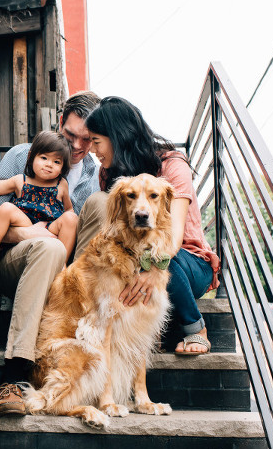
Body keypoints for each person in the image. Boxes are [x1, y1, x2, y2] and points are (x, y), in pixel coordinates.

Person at [0, 91, 101, 416]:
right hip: (16, 262)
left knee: (61, 240)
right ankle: (13, 376)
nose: (77, 146)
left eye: (88, 139)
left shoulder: (93, 181)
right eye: (71, 135)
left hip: (57, 279)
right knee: (48, 245)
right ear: (59, 123)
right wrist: (28, 233)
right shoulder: (20, 157)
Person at [84, 96, 221, 355]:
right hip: (136, 259)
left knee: (160, 254)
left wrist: (152, 271)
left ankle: (195, 328)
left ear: (117, 137)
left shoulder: (172, 165)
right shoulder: (109, 175)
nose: (92, 149)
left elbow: (174, 239)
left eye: (96, 141)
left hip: (186, 261)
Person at [0, 131, 77, 263]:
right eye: (44, 158)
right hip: (25, 224)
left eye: (56, 161)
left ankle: (61, 263)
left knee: (71, 218)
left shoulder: (61, 184)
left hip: (49, 227)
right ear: (31, 157)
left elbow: (68, 209)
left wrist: (68, 221)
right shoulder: (20, 181)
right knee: (6, 208)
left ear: (63, 167)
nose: (49, 164)